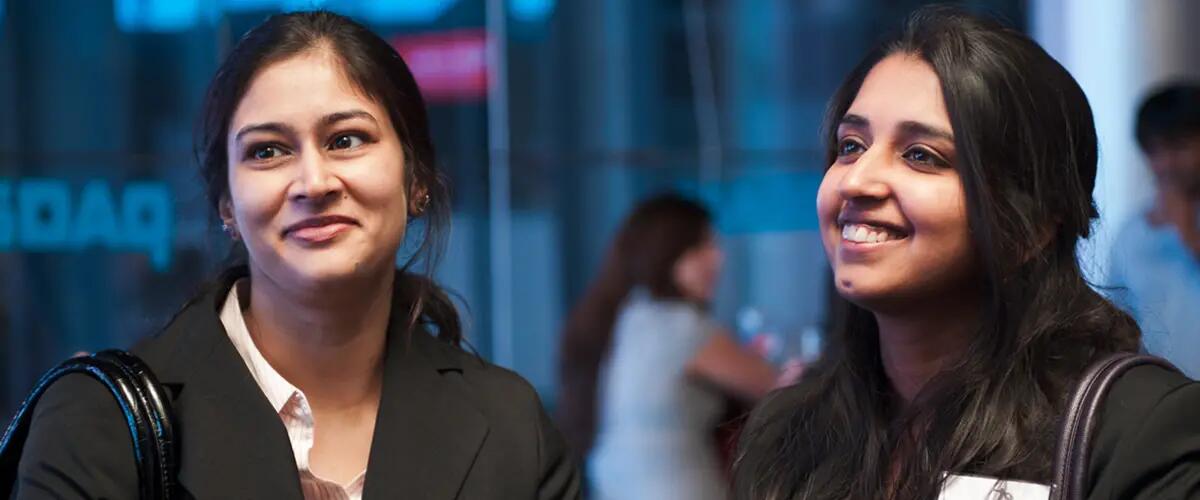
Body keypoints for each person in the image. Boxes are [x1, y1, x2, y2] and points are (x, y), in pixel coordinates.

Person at [14, 11, 580, 499]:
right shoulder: (103, 421)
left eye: (346, 139)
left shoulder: (511, 430)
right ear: (227, 206)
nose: (313, 181)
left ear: (417, 180)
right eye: (267, 151)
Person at [732, 7, 1200, 500]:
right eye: (851, 145)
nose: (856, 179)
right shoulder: (786, 431)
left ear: (1032, 226)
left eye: (920, 155)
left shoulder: (1134, 432)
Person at [558, 194, 789, 500]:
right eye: (701, 247)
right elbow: (778, 386)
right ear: (665, 254)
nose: (717, 258)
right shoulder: (680, 325)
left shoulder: (630, 317)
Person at [1109, 84, 1200, 378]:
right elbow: (1117, 327)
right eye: (1153, 150)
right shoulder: (1131, 235)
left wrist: (1187, 233)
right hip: (1168, 403)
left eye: (1179, 147)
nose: (1164, 163)